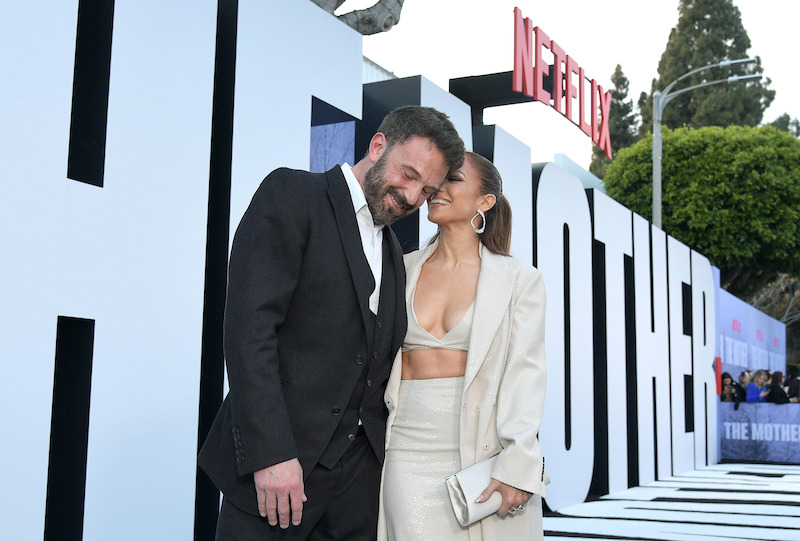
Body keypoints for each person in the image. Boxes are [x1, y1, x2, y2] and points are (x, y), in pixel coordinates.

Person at [198, 105, 465, 540]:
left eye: (427, 189)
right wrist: (270, 455)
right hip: (276, 483)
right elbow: (250, 332)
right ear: (378, 146)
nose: (413, 198)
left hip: (356, 496)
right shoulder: (292, 194)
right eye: (409, 174)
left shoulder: (395, 253)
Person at [378, 152, 547, 540]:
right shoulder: (398, 269)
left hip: (484, 452)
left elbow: (526, 372)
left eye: (452, 179)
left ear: (484, 202)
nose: (437, 189)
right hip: (406, 449)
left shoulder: (519, 279)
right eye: (435, 181)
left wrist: (519, 459)